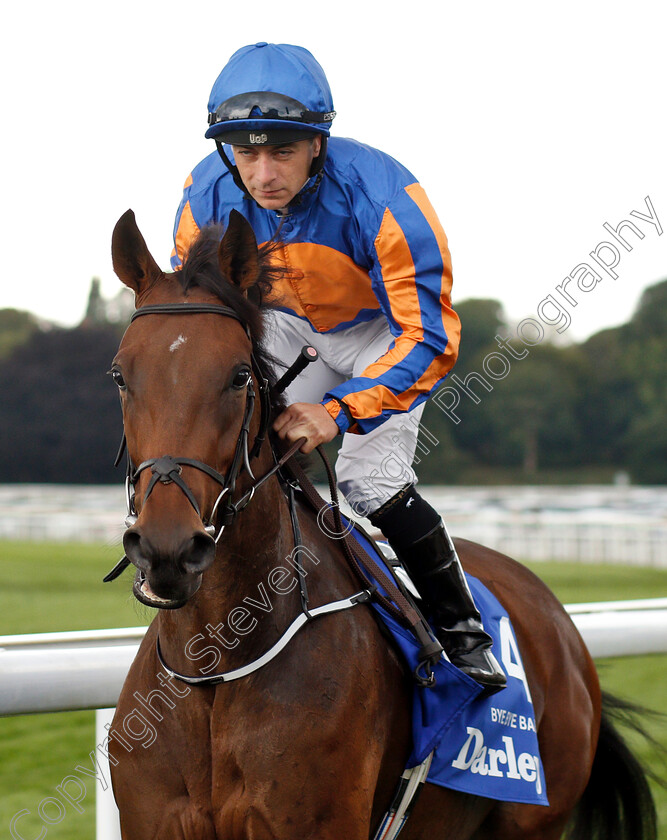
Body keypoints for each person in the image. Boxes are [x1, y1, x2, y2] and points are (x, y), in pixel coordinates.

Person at [171, 42, 505, 695]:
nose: (262, 174)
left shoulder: (385, 194)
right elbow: (200, 317)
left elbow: (430, 334)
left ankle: (461, 629)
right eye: (246, 154)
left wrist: (337, 410)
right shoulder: (202, 195)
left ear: (317, 144)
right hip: (284, 326)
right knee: (234, 453)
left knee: (367, 481)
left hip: (381, 330)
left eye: (282, 152)